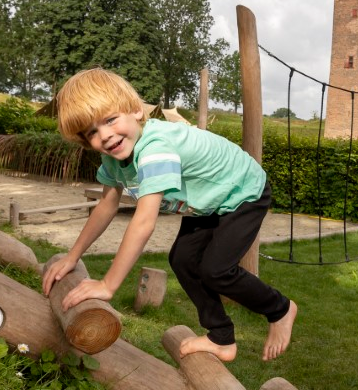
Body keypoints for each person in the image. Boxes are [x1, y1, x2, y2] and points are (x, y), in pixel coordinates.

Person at [42, 67, 297, 362]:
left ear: (136, 111)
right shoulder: (114, 158)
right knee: (183, 260)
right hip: (208, 202)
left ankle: (280, 309)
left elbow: (144, 222)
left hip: (243, 191)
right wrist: (72, 256)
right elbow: (106, 206)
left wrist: (107, 284)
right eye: (92, 132)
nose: (106, 136)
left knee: (216, 270)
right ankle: (222, 339)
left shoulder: (155, 148)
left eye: (110, 120)